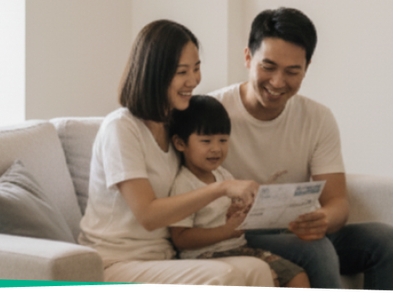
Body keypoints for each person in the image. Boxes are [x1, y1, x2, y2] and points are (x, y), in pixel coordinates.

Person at [208, 7, 393, 291]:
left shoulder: (317, 118)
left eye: (292, 71)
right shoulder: (211, 113)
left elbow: (338, 202)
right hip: (239, 235)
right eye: (268, 67)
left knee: (386, 240)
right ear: (247, 58)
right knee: (316, 251)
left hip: (294, 230)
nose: (278, 82)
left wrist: (322, 220)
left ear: (306, 68)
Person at [77, 19, 273, 287]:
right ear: (155, 74)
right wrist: (223, 188)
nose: (193, 80)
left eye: (196, 68)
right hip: (117, 261)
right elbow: (148, 215)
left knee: (257, 269)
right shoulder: (121, 128)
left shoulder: (175, 126)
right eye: (182, 71)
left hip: (166, 257)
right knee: (225, 278)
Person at [167, 95, 310, 289]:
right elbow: (180, 238)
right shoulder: (184, 184)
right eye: (206, 141)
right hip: (204, 257)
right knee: (270, 279)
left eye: (223, 140)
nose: (216, 149)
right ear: (180, 144)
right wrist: (226, 231)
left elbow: (232, 213)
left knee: (297, 277)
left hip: (239, 249)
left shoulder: (223, 174)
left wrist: (246, 210)